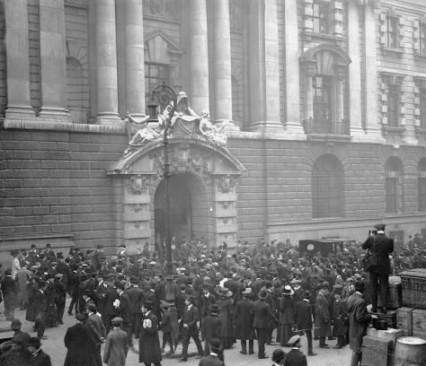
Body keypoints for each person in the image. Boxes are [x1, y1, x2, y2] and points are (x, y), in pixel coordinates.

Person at [362, 223, 394, 314]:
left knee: (374, 286)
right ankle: (384, 307)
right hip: (384, 265)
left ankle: (375, 307)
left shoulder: (372, 238)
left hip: (373, 265)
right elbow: (390, 251)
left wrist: (370, 239)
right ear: (384, 229)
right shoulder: (389, 239)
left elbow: (363, 246)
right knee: (384, 286)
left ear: (376, 229)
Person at [346, 280, 374, 366]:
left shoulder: (350, 297)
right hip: (359, 329)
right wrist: (370, 316)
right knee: (357, 350)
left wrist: (365, 309)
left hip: (352, 327)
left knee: (355, 349)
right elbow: (360, 317)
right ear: (363, 290)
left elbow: (351, 311)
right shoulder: (361, 301)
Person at [253, 289, 277, 359]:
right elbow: (270, 315)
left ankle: (262, 352)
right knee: (262, 339)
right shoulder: (266, 305)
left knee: (259, 338)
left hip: (256, 323)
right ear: (265, 296)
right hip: (263, 324)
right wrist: (276, 320)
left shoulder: (255, 303)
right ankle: (261, 354)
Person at [179, 295, 204, 361]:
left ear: (190, 301)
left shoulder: (195, 309)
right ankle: (184, 356)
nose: (185, 301)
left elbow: (195, 319)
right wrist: (181, 319)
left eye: (186, 300)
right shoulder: (185, 308)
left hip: (193, 329)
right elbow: (184, 315)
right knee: (185, 342)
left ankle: (201, 353)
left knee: (197, 341)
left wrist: (188, 325)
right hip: (186, 329)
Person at [139, 300, 162, 366]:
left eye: (142, 307)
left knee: (155, 362)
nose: (141, 309)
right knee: (147, 362)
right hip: (146, 343)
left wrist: (145, 328)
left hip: (151, 344)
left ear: (146, 308)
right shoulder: (144, 316)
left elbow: (153, 331)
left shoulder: (152, 317)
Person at [294, 290, 316, 356]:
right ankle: (310, 351)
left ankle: (296, 352)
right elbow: (309, 317)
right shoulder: (309, 305)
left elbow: (296, 314)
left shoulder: (299, 303)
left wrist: (296, 323)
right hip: (307, 324)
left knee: (297, 339)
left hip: (299, 323)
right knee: (309, 338)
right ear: (309, 297)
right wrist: (311, 325)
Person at [234, 287, 255, 355]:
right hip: (250, 321)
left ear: (243, 296)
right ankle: (251, 350)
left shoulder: (239, 303)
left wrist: (235, 320)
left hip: (241, 321)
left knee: (242, 336)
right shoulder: (252, 303)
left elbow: (236, 313)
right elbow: (253, 313)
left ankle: (244, 350)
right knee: (251, 336)